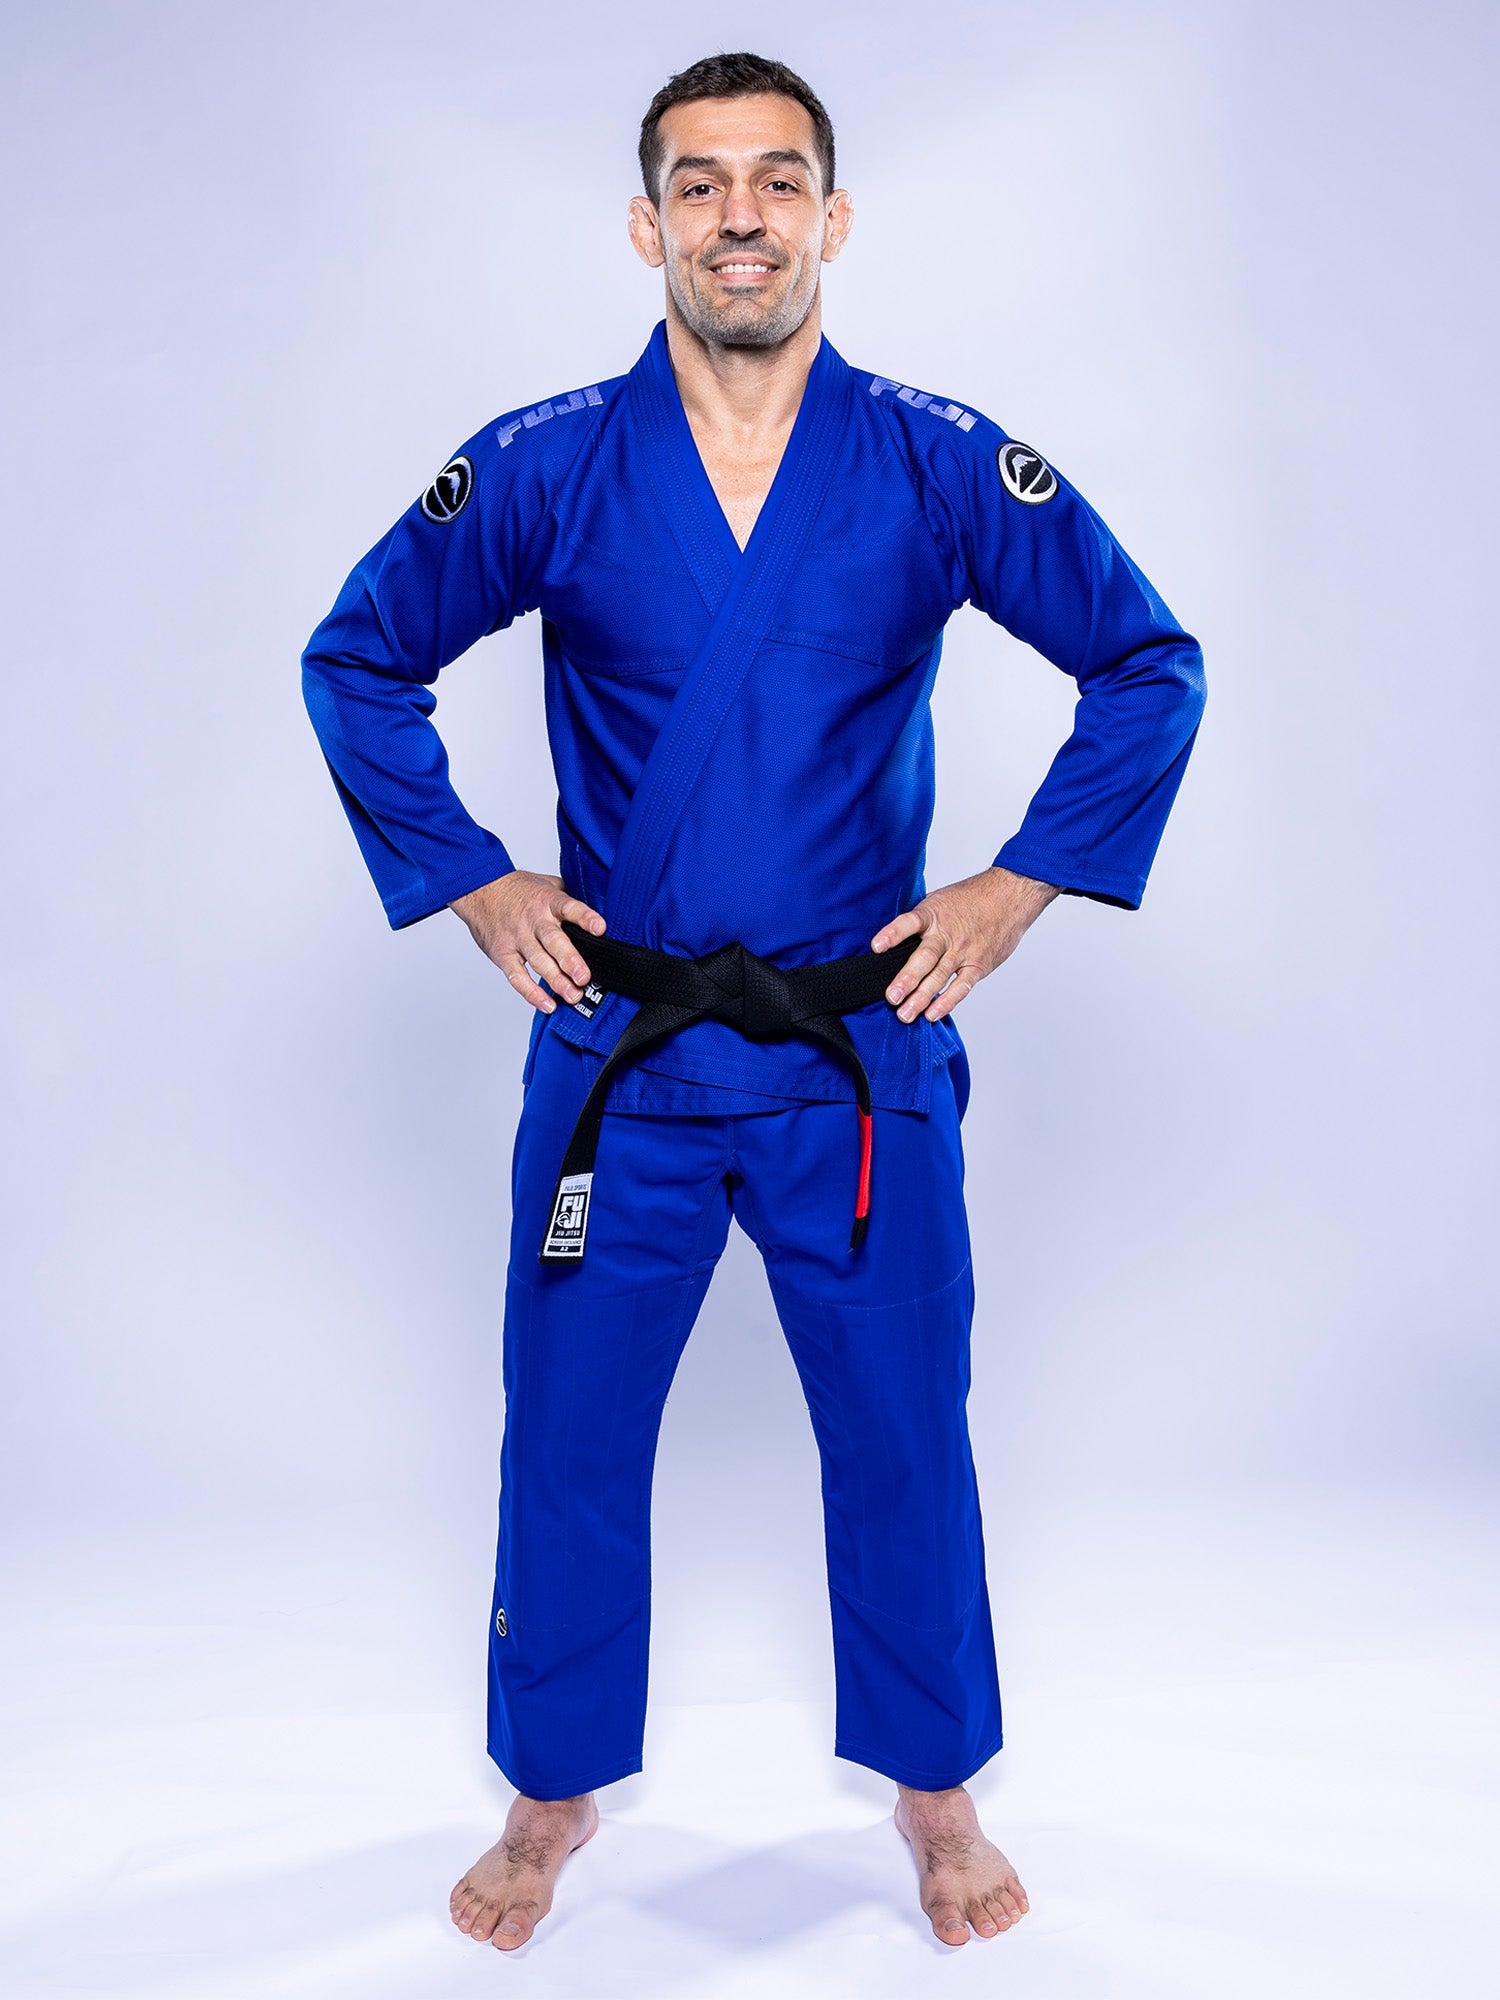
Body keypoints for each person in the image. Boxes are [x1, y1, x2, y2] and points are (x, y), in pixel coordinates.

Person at [301, 51, 1205, 1952]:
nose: (740, 217)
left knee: (903, 1434)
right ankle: (550, 1795)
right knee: (566, 1435)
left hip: (853, 1056)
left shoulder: (934, 460)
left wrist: (1017, 884)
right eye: (701, 184)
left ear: (832, 221)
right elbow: (357, 657)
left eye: (778, 182)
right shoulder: (548, 462)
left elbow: (1148, 662)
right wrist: (470, 874)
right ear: (647, 225)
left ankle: (936, 1791)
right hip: (619, 1058)